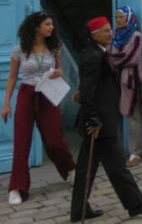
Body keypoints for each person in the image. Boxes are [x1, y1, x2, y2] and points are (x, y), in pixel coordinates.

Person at [71, 17, 142, 221]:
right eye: (105, 31)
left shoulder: (99, 52)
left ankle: (79, 210)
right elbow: (89, 89)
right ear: (94, 35)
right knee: (117, 166)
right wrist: (93, 118)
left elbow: (87, 88)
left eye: (110, 30)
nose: (110, 34)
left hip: (100, 118)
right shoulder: (93, 55)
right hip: (100, 122)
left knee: (87, 167)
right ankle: (136, 204)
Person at [3, 12, 75, 205]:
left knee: (53, 140)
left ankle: (69, 168)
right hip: (27, 94)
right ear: (36, 27)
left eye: (51, 24)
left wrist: (58, 72)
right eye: (47, 24)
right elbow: (11, 77)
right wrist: (7, 102)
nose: (51, 28)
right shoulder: (20, 50)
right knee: (21, 142)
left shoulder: (54, 47)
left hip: (47, 95)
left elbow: (59, 70)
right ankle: (17, 188)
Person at [108, 6, 142, 168]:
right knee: (115, 115)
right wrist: (114, 58)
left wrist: (114, 60)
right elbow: (109, 55)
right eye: (116, 18)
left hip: (131, 82)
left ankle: (136, 152)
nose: (118, 20)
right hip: (115, 81)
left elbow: (131, 58)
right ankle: (117, 150)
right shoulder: (115, 36)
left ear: (129, 18)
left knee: (133, 117)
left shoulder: (135, 36)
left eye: (121, 17)